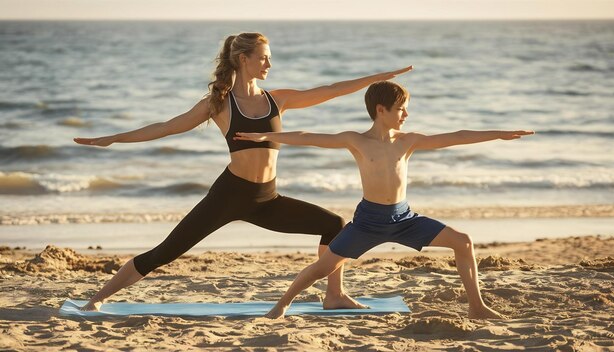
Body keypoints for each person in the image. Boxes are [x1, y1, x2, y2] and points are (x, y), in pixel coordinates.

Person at [73, 32, 411, 311]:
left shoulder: (277, 99)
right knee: (165, 252)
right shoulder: (218, 103)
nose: (269, 64)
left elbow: (328, 91)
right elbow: (167, 127)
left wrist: (376, 78)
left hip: (267, 198)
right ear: (243, 59)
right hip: (229, 195)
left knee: (334, 225)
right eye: (263, 57)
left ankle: (333, 295)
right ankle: (97, 300)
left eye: (269, 57)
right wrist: (113, 138)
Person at [235, 80, 534, 319]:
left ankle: (476, 306)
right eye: (401, 108)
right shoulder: (356, 140)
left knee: (463, 241)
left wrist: (499, 134)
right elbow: (309, 136)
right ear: (381, 110)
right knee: (321, 268)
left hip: (405, 219)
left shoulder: (408, 141)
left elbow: (455, 136)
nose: (406, 114)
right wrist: (265, 138)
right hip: (368, 222)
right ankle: (282, 305)